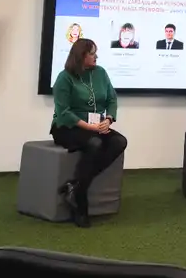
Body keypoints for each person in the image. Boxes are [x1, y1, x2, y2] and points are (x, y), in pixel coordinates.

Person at [51, 38, 128, 227]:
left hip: (96, 126)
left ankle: (75, 186)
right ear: (81, 56)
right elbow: (64, 112)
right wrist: (90, 127)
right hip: (67, 127)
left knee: (119, 142)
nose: (96, 57)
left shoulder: (100, 73)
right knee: (95, 143)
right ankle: (81, 203)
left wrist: (108, 119)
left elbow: (112, 99)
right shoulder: (64, 77)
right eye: (92, 53)